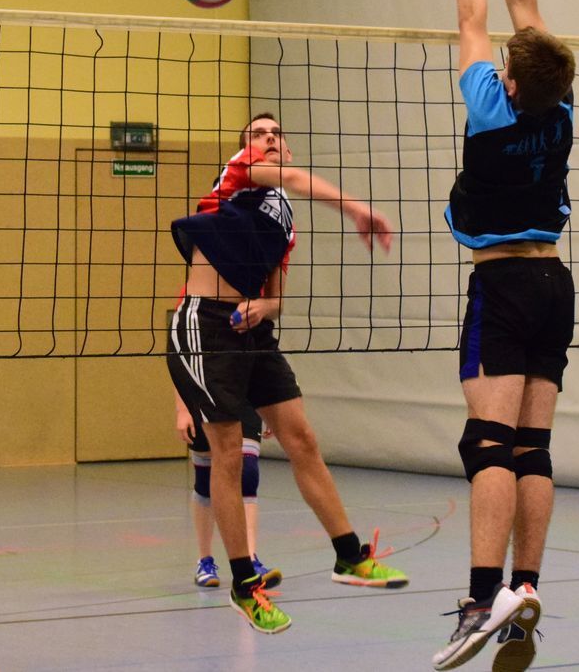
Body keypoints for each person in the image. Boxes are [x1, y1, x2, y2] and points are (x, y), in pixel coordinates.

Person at [166, 113, 407, 634]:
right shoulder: (239, 175)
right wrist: (356, 208)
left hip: (249, 334)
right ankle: (243, 585)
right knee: (228, 455)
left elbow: (276, 299)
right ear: (244, 151)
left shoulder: (282, 222)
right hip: (204, 326)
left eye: (277, 135)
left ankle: (350, 556)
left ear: (288, 149)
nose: (269, 140)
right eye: (258, 134)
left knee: (302, 438)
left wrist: (260, 310)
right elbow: (296, 180)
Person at [431, 0, 578, 672]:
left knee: (486, 442)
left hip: (503, 281)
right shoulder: (559, 108)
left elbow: (475, 12)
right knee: (533, 449)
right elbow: (525, 14)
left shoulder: (492, 108)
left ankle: (484, 599)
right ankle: (525, 588)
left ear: (511, 83)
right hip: (557, 282)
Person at [171, 391, 279, 587]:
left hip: (243, 399)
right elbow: (178, 363)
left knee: (247, 474)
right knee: (205, 481)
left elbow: (260, 365)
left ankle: (250, 560)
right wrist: (183, 410)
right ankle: (205, 561)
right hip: (203, 395)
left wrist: (269, 406)